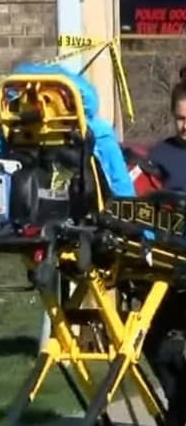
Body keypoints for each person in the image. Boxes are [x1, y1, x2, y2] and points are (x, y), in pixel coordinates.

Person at [143, 82, 186, 426]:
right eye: (180, 118)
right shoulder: (160, 156)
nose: (185, 125)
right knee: (154, 340)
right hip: (167, 263)